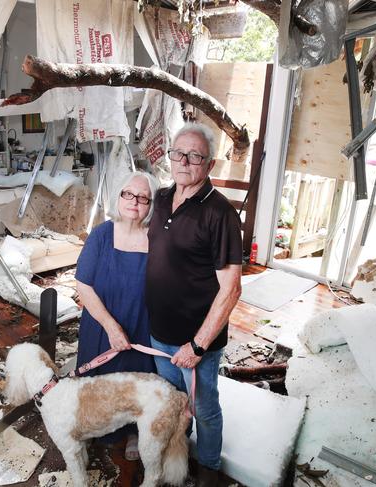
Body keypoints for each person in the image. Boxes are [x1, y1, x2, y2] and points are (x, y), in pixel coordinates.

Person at [145, 123, 243, 486]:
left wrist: (198, 344)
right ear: (169, 156)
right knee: (172, 405)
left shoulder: (220, 214)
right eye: (177, 153)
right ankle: (176, 457)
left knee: (203, 409)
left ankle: (209, 470)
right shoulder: (160, 199)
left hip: (195, 342)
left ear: (210, 164)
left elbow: (231, 290)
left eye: (195, 156)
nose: (184, 161)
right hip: (159, 334)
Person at [75, 170, 159, 461]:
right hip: (101, 325)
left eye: (143, 198)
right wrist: (111, 327)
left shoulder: (157, 239)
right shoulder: (101, 234)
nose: (134, 202)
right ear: (119, 196)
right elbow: (83, 285)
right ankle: (96, 427)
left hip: (140, 324)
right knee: (99, 384)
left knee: (137, 382)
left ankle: (134, 432)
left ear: (151, 205)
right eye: (128, 194)